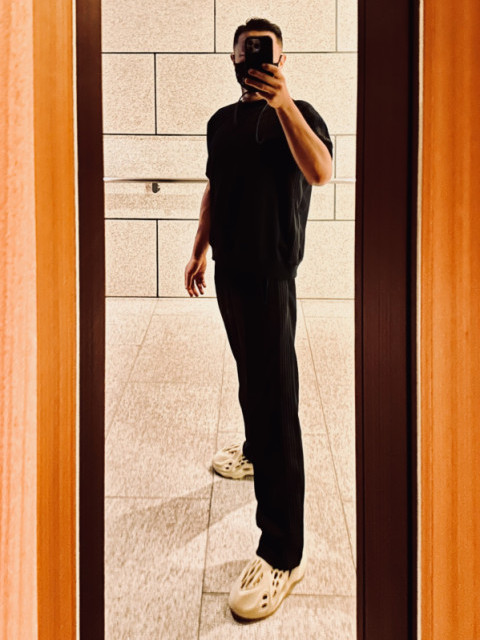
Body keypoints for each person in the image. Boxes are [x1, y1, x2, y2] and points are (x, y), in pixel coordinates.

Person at [184, 17, 333, 620]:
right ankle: (253, 451)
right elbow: (215, 188)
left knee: (276, 406)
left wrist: (284, 102)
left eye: (266, 53)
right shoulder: (221, 122)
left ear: (282, 59)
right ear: (233, 60)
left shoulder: (300, 115)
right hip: (230, 275)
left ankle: (283, 553)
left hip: (272, 279)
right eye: (247, 54)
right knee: (253, 380)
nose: (256, 62)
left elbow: (320, 170)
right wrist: (199, 247)